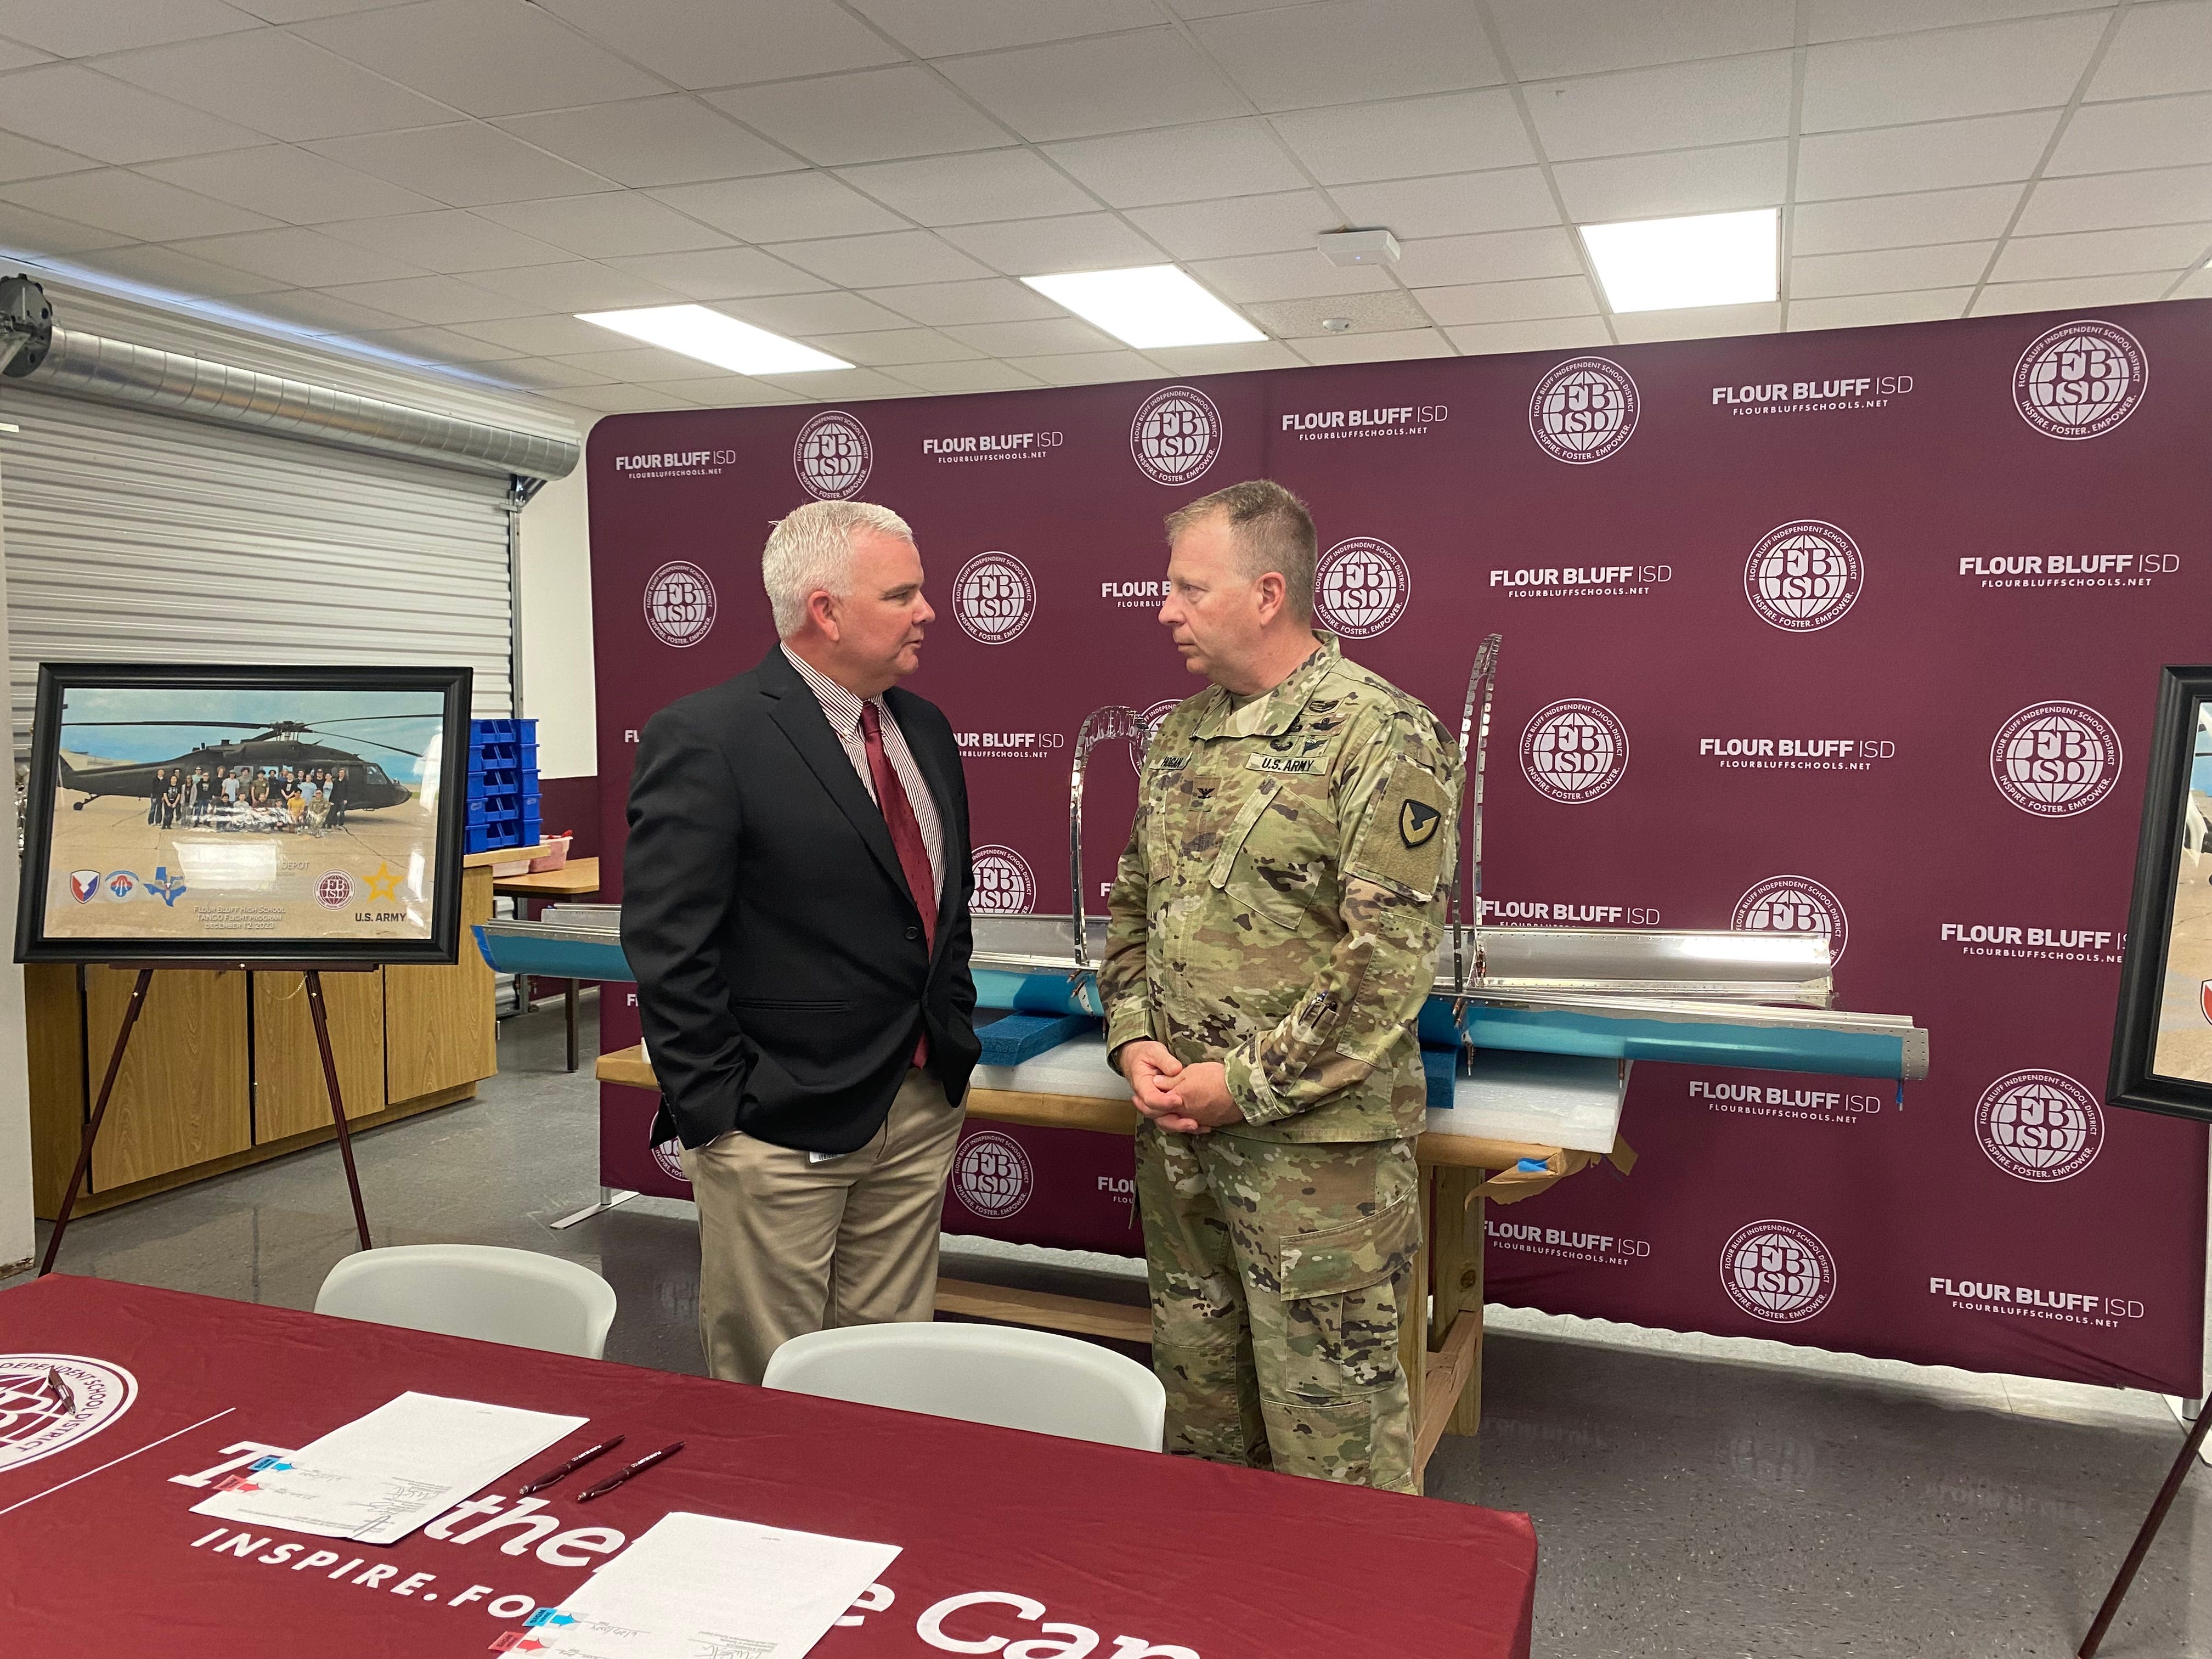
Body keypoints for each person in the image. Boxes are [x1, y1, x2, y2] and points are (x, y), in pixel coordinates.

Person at [1099, 479, 1464, 1496]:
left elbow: (1385, 964)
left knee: (1334, 1446)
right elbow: (1132, 909)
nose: (1165, 608)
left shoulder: (1378, 734)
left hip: (1317, 1167)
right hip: (1183, 1146)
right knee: (1203, 1418)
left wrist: (1242, 1086)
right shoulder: (1179, 735)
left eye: (1187, 587)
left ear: (1268, 593)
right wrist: (1135, 1041)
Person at [624, 498, 979, 1386]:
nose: (929, 611)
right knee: (769, 1383)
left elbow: (941, 907)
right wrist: (723, 1118)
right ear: (826, 610)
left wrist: (947, 1046)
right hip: (775, 1132)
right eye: (903, 594)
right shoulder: (709, 736)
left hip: (916, 1106)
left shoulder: (924, 728)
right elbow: (671, 947)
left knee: (889, 1369)